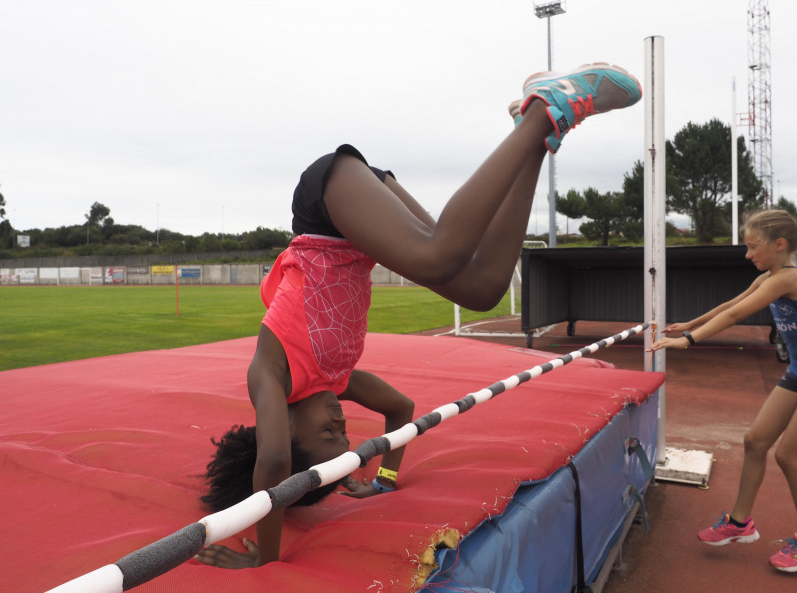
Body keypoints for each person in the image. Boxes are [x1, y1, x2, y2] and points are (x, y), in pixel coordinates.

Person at [194, 61, 643, 569]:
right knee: (481, 287)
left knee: (438, 256)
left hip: (326, 201)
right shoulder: (336, 382)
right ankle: (535, 136)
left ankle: (546, 108)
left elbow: (273, 465)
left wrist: (266, 555)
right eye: (345, 435)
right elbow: (402, 412)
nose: (343, 424)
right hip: (364, 219)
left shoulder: (270, 377)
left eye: (327, 433)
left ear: (285, 428)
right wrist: (382, 475)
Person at [649, 190, 797, 573]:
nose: (748, 255)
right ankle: (739, 522)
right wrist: (692, 322)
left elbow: (736, 317)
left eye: (752, 247)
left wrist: (688, 341)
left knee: (787, 455)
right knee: (755, 441)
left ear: (779, 245)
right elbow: (731, 304)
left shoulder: (788, 279)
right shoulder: (770, 276)